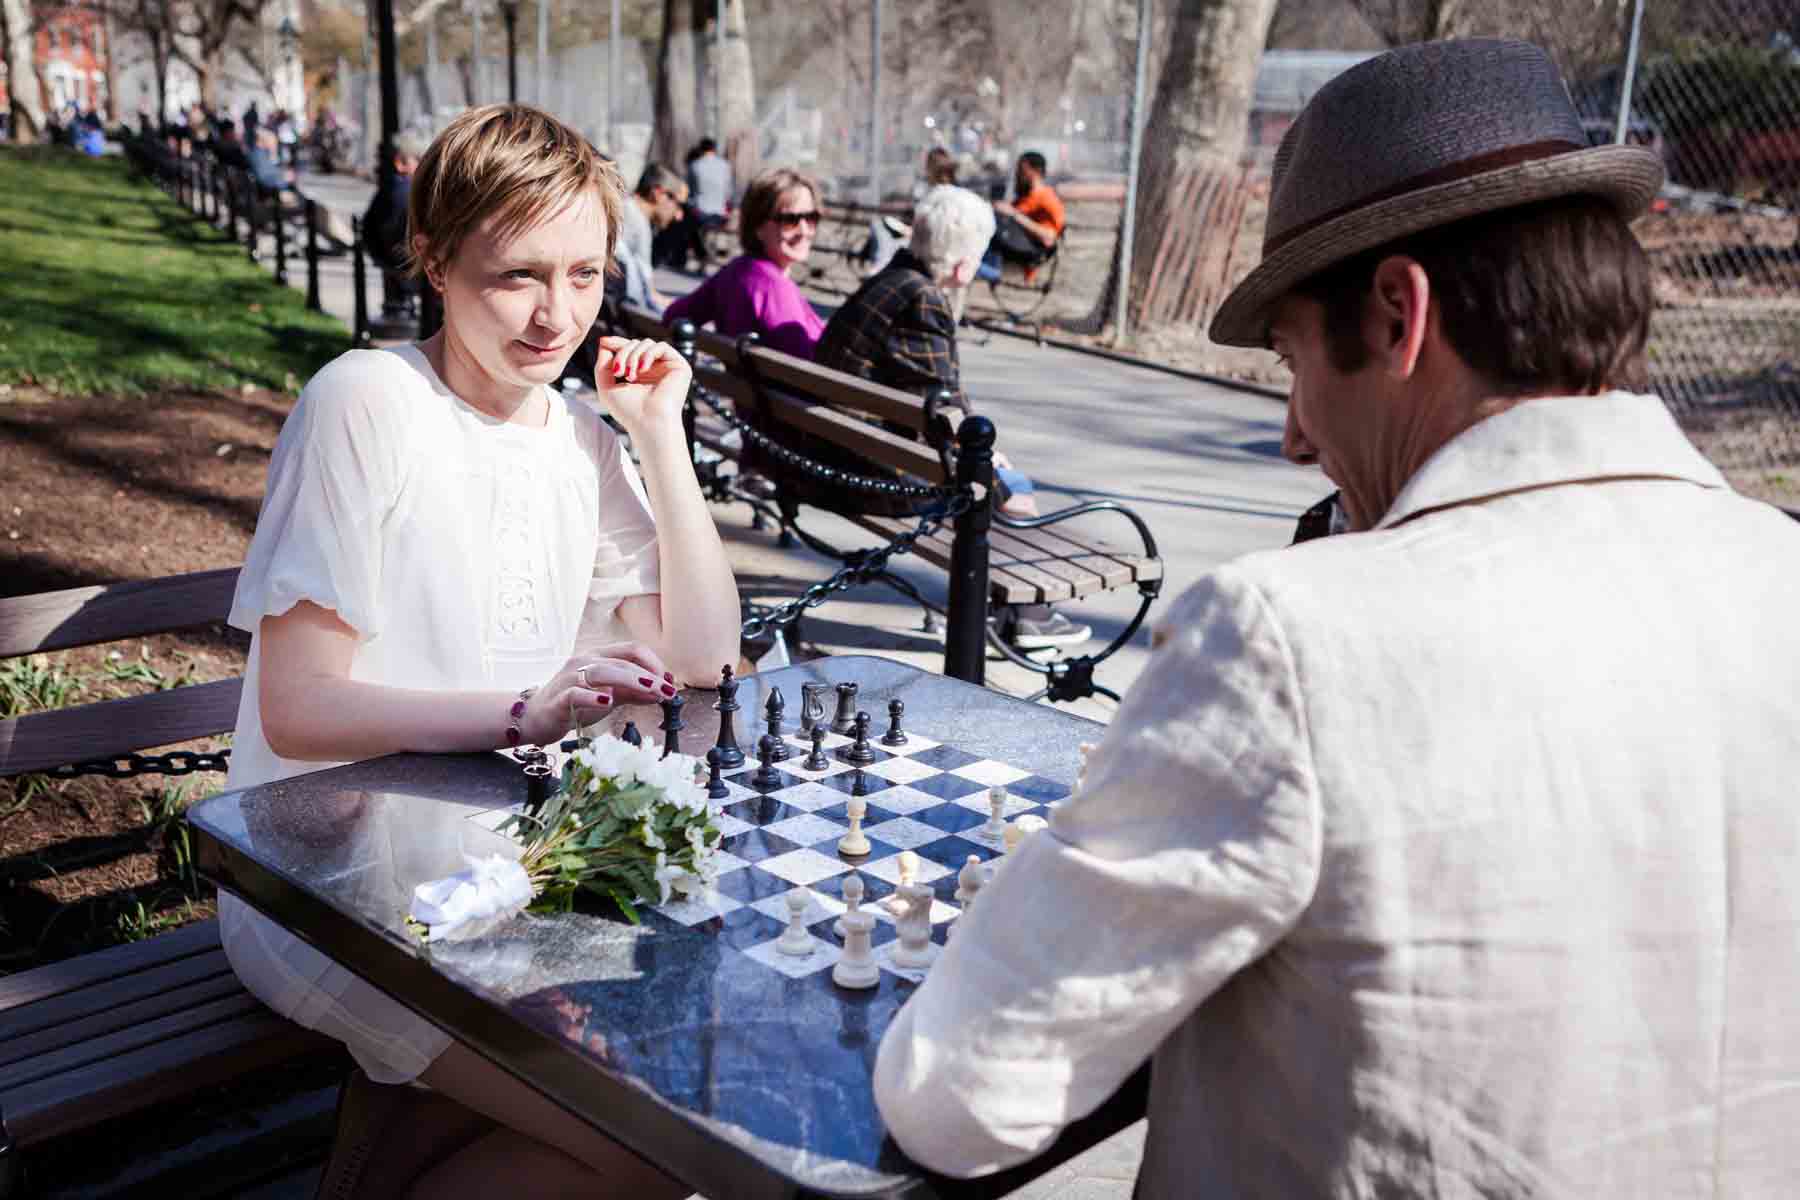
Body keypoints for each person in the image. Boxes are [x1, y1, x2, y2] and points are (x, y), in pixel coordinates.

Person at [874, 38, 1800, 1196]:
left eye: (1293, 363)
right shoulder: (1782, 570)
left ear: (1400, 315)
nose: (1295, 437)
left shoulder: (1291, 637)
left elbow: (964, 1094)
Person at [219, 103, 738, 1197]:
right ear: (435, 259)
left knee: (698, 1106)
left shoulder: (579, 437)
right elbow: (299, 707)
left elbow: (704, 657)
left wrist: (658, 437)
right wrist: (520, 710)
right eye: (517, 277)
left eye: (586, 274)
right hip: (334, 894)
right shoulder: (366, 401)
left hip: (503, 882)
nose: (558, 317)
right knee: (662, 1148)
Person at [815, 184, 1092, 651]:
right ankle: (1028, 616)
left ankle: (1006, 610)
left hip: (835, 451)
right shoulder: (922, 299)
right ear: (964, 266)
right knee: (1013, 491)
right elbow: (943, 409)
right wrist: (989, 465)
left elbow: (922, 395)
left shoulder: (889, 280)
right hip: (867, 475)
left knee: (995, 473)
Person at [662, 165, 825, 358]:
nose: (804, 231)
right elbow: (803, 372)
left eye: (811, 218)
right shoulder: (776, 288)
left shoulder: (735, 271)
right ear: (758, 227)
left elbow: (673, 316)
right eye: (790, 220)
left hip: (738, 386)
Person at [362, 131, 430, 317]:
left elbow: (367, 228)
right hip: (406, 265)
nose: (424, 165)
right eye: (418, 159)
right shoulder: (407, 193)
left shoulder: (391, 188)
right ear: (401, 163)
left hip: (392, 262)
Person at [974, 150, 1063, 283]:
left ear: (1036, 171)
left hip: (1027, 254)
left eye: (1022, 170)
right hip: (1008, 248)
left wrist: (1013, 214)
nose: (1018, 175)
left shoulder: (1047, 198)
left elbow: (1049, 237)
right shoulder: (1026, 197)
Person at [614, 162, 687, 313]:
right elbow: (648, 296)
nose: (679, 215)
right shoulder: (635, 222)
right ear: (658, 194)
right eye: (678, 204)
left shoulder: (625, 211)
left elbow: (650, 293)